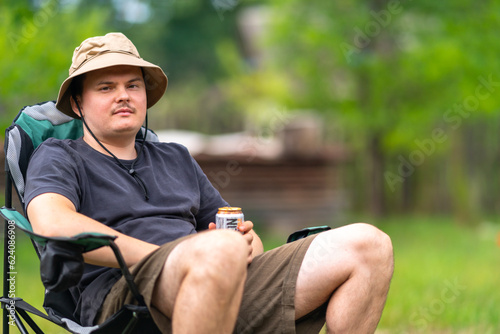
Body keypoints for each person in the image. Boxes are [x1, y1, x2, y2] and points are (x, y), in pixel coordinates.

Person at [25, 32, 394, 333]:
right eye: (105, 87)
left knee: (368, 245)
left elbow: (243, 238)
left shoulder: (176, 157)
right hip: (125, 294)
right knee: (216, 250)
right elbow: (53, 223)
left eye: (133, 86)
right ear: (77, 104)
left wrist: (245, 242)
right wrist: (168, 255)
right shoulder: (60, 156)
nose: (123, 95)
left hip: (219, 278)